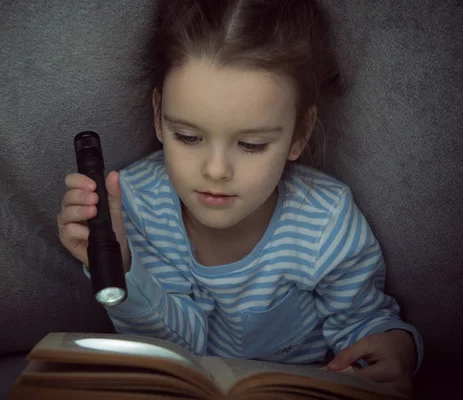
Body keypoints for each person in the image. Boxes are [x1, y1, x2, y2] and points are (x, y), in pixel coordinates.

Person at [57, 0, 423, 395]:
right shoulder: (137, 208)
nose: (216, 171)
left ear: (299, 134)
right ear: (159, 114)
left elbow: (365, 324)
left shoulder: (325, 221)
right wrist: (123, 264)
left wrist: (397, 348)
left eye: (251, 144)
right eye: (189, 137)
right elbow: (175, 348)